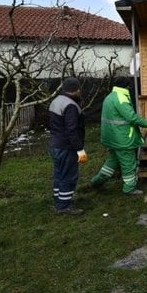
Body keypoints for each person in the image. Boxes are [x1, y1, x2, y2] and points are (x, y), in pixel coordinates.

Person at [90, 84, 147, 195]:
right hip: (122, 139)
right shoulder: (122, 98)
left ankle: (97, 181)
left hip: (112, 138)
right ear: (127, 88)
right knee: (128, 164)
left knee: (112, 161)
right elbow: (131, 117)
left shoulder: (110, 96)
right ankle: (129, 188)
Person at [48, 77, 88, 215]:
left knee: (59, 174)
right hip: (66, 147)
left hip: (55, 144)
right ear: (76, 89)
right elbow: (72, 130)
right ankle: (64, 206)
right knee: (68, 176)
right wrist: (79, 149)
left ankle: (58, 201)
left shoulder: (56, 101)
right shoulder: (70, 105)